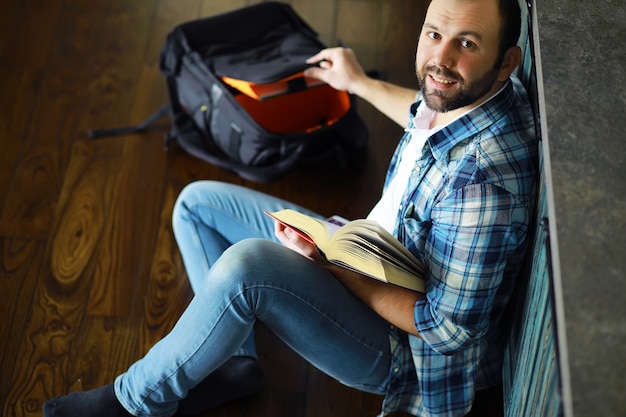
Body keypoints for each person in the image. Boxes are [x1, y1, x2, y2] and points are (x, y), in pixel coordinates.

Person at [43, 0, 538, 416]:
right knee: (197, 204)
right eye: (434, 34)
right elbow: (422, 114)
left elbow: (447, 331)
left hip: (403, 352)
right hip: (367, 251)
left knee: (247, 268)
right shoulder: (468, 92)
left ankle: (133, 402)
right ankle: (234, 364)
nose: (441, 57)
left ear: (507, 60)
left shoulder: (482, 185)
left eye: (466, 43)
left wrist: (331, 263)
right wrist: (358, 82)